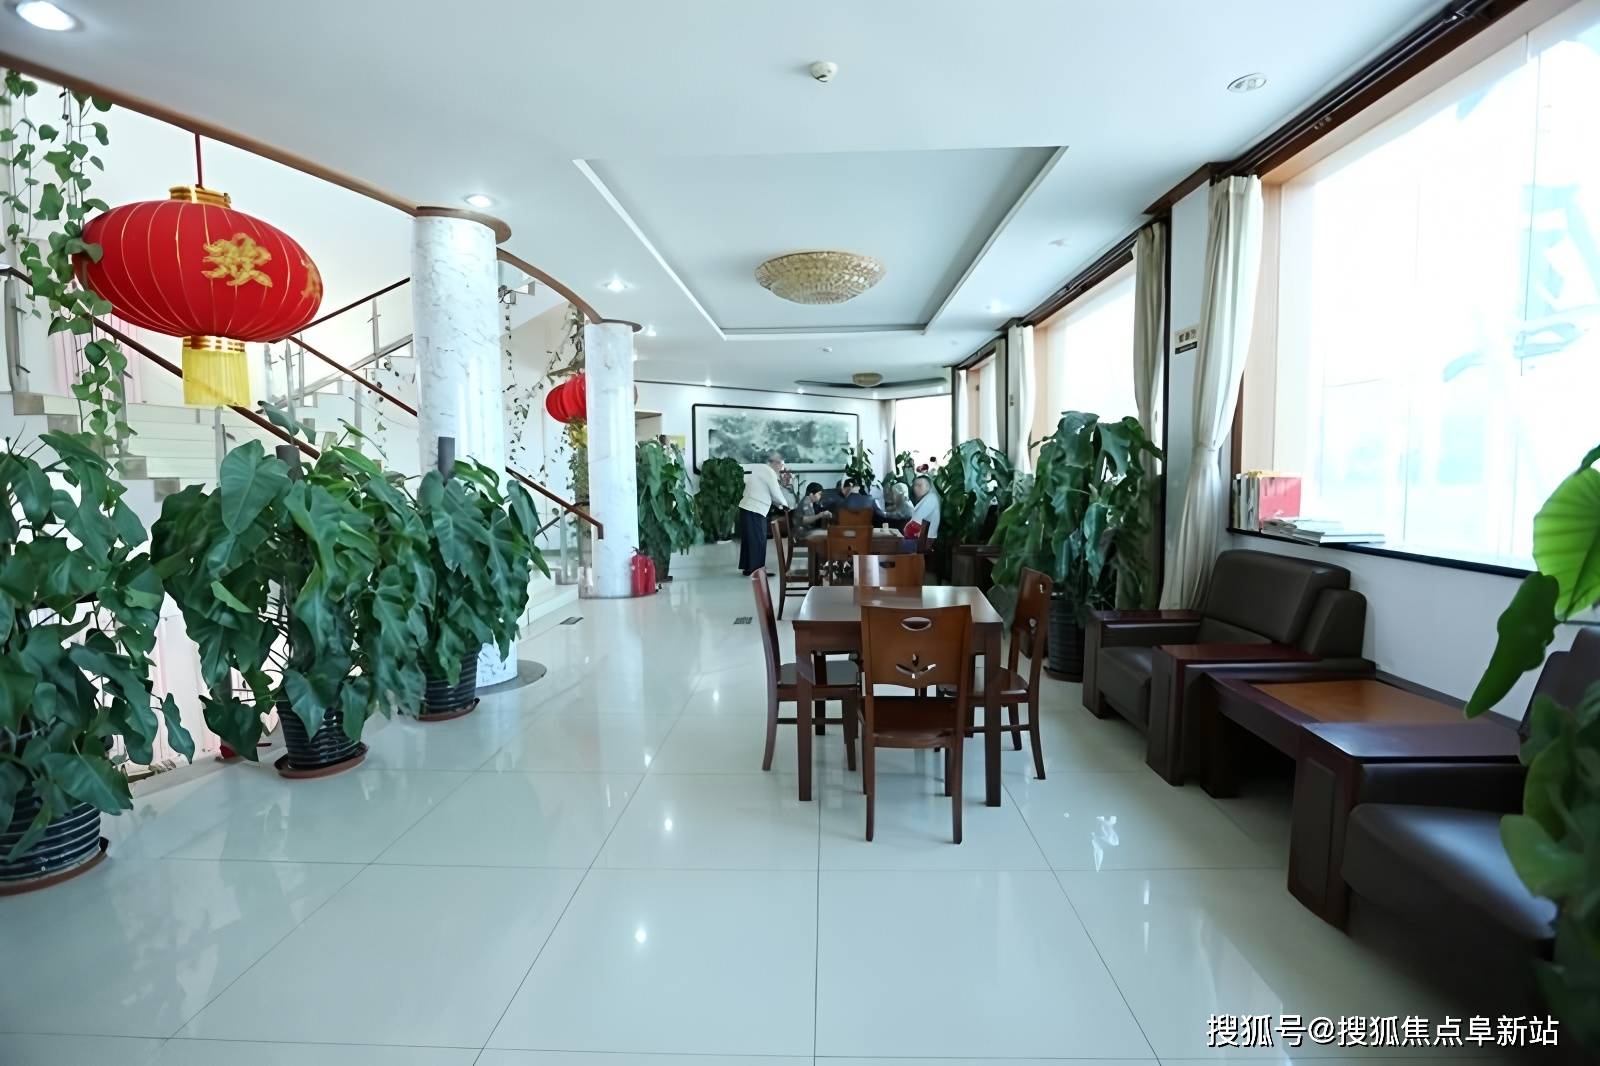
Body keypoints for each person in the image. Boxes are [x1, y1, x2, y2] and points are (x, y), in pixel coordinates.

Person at [737, 453, 793, 575]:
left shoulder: (761, 469)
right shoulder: (768, 471)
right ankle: (758, 570)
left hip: (747, 508)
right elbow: (775, 492)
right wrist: (786, 505)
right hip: (755, 509)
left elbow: (769, 494)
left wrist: (780, 505)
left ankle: (749, 568)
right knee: (759, 540)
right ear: (776, 462)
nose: (782, 468)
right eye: (782, 465)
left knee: (749, 540)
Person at [907, 474, 941, 539]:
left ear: (928, 487)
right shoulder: (927, 498)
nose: (916, 488)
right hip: (919, 538)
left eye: (920, 485)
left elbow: (915, 523)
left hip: (922, 540)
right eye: (915, 485)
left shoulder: (931, 498)